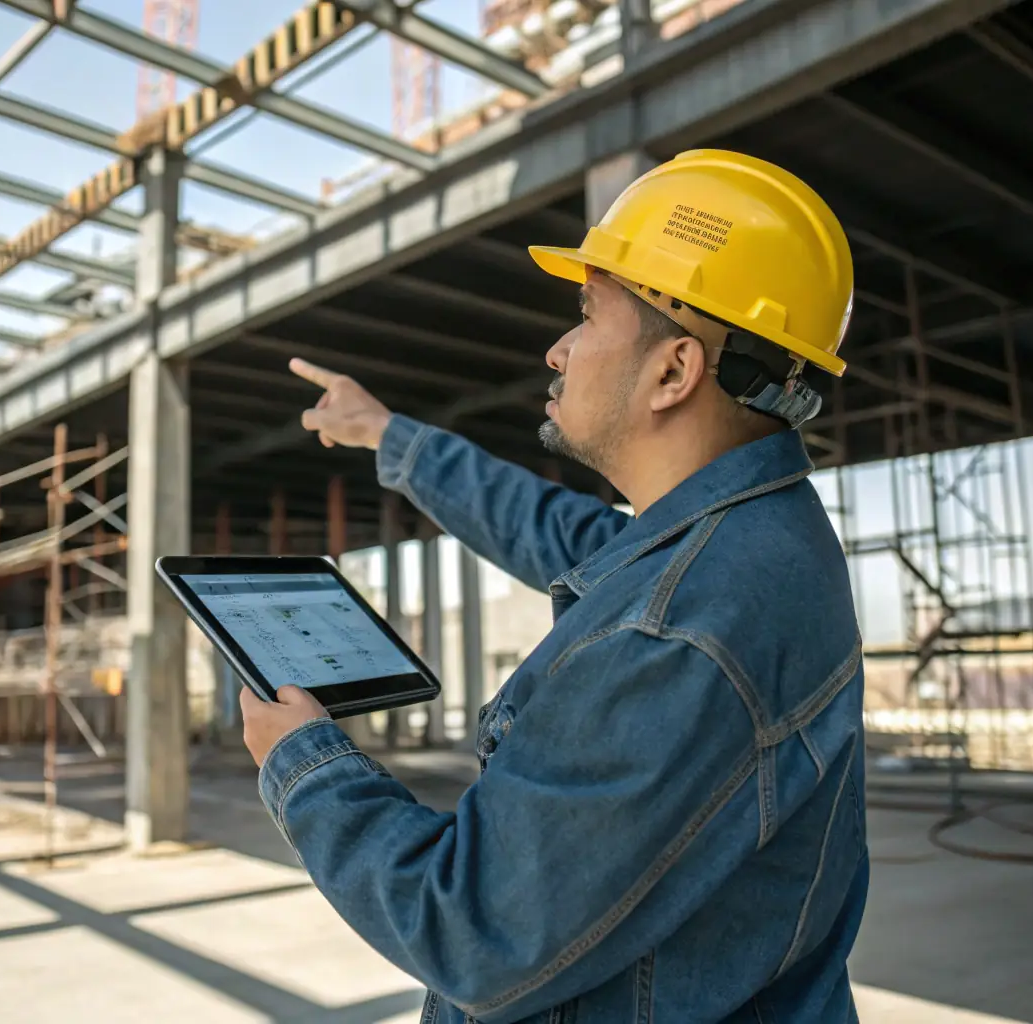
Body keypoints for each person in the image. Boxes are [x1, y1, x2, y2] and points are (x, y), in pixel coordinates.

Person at [240, 149, 868, 1023]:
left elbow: (473, 931)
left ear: (672, 371)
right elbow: (559, 532)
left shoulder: (674, 628)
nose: (558, 347)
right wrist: (386, 433)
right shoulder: (750, 540)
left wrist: (303, 762)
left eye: (585, 313)